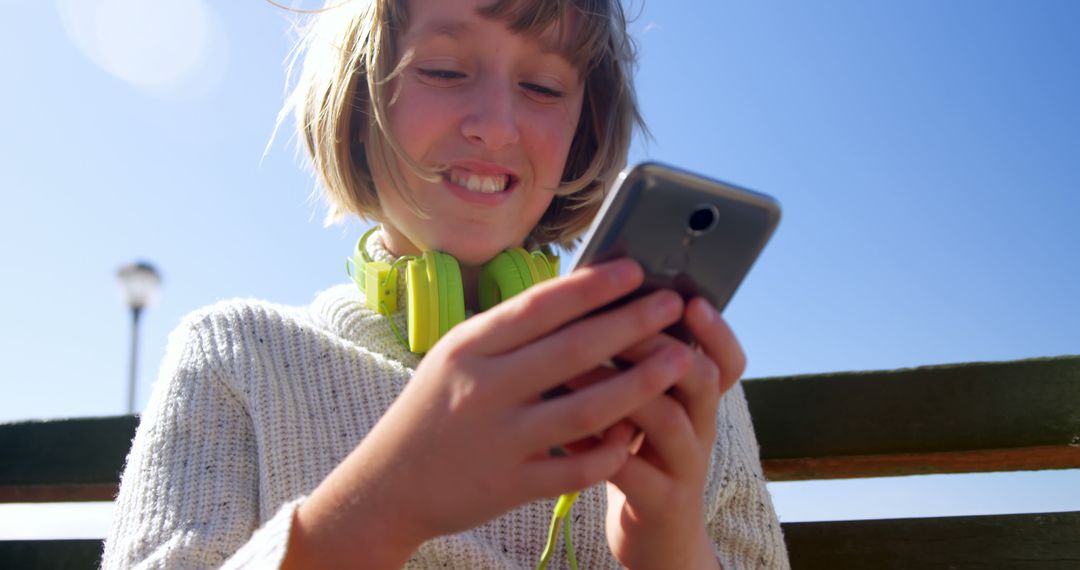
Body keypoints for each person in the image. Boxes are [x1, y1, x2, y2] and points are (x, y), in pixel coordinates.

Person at [102, 0, 789, 568]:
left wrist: (669, 546)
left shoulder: (679, 379)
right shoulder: (237, 356)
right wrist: (382, 503)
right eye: (443, 69)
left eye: (544, 87)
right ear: (359, 100)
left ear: (585, 126)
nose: (495, 126)